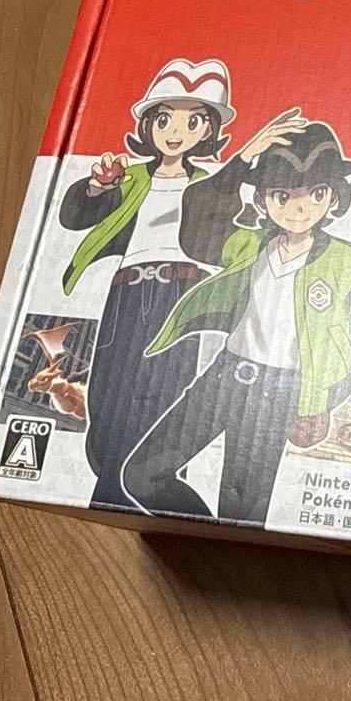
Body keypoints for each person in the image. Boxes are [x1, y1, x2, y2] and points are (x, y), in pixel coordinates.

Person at [122, 112, 351, 526]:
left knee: (241, 514)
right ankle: (207, 539)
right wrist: (242, 159)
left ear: (333, 197)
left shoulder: (345, 263)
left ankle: (228, 547)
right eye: (282, 195)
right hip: (222, 380)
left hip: (280, 395)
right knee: (142, 476)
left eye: (316, 193)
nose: (299, 208)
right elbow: (198, 223)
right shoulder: (249, 246)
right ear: (263, 200)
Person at [59, 58, 234, 510]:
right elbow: (75, 217)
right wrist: (98, 188)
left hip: (178, 293)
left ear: (208, 131)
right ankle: (130, 490)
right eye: (164, 119)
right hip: (125, 293)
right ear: (148, 125)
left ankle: (116, 499)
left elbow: (228, 239)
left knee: (159, 402)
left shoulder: (212, 184)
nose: (175, 132)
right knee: (105, 404)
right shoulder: (131, 176)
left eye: (192, 121)